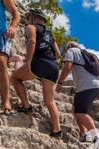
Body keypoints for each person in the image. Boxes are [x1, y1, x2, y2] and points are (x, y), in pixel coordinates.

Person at [10, 9, 62, 138]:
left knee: (15, 77)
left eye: (29, 18)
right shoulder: (50, 33)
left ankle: (26, 106)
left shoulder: (31, 27)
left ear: (33, 17)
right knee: (50, 101)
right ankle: (57, 131)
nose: (28, 20)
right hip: (54, 66)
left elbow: (32, 42)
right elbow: (58, 54)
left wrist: (28, 61)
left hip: (40, 62)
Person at [56, 42, 99, 146]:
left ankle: (96, 135)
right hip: (95, 85)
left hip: (86, 86)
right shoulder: (85, 54)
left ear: (68, 47)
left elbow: (67, 67)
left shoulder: (71, 51)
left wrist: (60, 83)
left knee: (80, 112)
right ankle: (84, 134)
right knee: (75, 109)